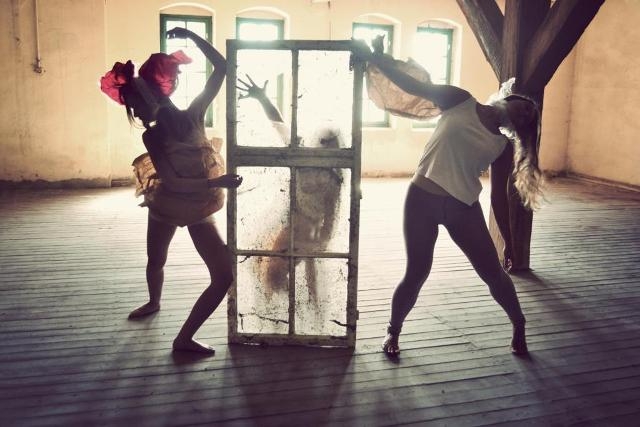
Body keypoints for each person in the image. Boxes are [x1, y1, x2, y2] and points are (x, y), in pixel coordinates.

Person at [351, 39, 544, 357]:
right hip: (421, 199)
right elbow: (413, 86)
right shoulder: (460, 100)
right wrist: (377, 60)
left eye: (527, 119)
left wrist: (508, 243)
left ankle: (519, 325)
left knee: (492, 274)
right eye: (524, 107)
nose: (523, 114)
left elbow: (498, 198)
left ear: (518, 128)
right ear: (510, 99)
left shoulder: (502, 147)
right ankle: (393, 332)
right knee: (416, 272)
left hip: (462, 207)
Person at [100, 27, 242, 355]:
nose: (136, 114)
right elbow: (173, 182)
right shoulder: (152, 136)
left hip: (197, 205)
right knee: (156, 259)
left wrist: (192, 34)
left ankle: (183, 339)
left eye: (136, 106)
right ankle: (154, 301)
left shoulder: (194, 114)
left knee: (223, 276)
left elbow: (222, 67)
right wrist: (215, 183)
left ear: (152, 98)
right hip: (168, 202)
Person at [236, 76, 344, 301]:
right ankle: (283, 306)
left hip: (309, 231)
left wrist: (316, 244)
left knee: (300, 281)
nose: (327, 154)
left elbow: (330, 217)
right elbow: (280, 125)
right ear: (315, 144)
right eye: (323, 146)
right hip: (289, 222)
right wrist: (263, 98)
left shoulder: (334, 178)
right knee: (268, 271)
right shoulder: (302, 152)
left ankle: (304, 307)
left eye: (333, 149)